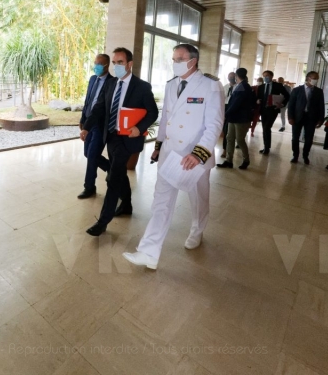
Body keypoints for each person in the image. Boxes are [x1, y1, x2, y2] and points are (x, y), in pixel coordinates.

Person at [122, 44, 223, 269]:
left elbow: (214, 124)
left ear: (193, 61)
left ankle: (198, 230)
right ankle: (148, 253)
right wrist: (158, 146)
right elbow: (167, 117)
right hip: (170, 153)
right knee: (161, 203)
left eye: (180, 58)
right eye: (173, 58)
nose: (175, 62)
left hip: (194, 156)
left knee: (199, 198)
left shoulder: (211, 85)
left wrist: (199, 153)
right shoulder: (171, 85)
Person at [80, 47, 158, 236]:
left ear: (130, 64)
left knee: (113, 177)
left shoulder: (142, 87)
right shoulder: (111, 84)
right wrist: (87, 127)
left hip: (129, 138)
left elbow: (153, 112)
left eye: (120, 62)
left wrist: (139, 128)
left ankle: (103, 222)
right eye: (114, 63)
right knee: (118, 172)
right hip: (112, 136)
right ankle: (127, 205)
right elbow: (99, 107)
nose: (116, 66)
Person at [77, 53, 117, 198]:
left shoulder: (113, 82)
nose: (96, 66)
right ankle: (112, 170)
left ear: (107, 65)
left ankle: (89, 187)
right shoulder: (93, 79)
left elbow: (104, 107)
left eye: (100, 64)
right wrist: (83, 119)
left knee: (92, 155)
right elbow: (88, 101)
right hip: (88, 121)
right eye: (95, 63)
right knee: (87, 153)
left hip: (100, 125)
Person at [217, 67, 254, 170]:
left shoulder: (244, 87)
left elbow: (236, 103)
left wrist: (226, 114)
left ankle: (246, 160)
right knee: (229, 138)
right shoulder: (240, 86)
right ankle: (229, 160)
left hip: (241, 118)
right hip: (233, 117)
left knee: (240, 140)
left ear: (237, 76)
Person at [287, 71, 326, 164]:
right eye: (313, 78)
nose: (315, 80)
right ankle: (295, 155)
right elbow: (291, 105)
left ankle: (305, 156)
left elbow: (321, 106)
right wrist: (290, 117)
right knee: (295, 138)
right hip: (297, 117)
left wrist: (321, 119)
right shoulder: (297, 90)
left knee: (309, 139)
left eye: (317, 78)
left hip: (311, 118)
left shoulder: (318, 91)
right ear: (308, 78)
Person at [257, 70, 289, 155]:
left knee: (267, 127)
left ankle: (267, 148)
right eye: (264, 76)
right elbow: (257, 97)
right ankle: (266, 146)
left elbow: (287, 95)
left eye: (267, 76)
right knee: (265, 128)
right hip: (263, 110)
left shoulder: (278, 86)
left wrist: (282, 104)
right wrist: (257, 100)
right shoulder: (261, 87)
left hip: (273, 110)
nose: (265, 77)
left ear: (271, 76)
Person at [218, 72, 237, 161]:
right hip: (225, 108)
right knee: (226, 131)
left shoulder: (238, 87)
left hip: (234, 109)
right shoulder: (225, 87)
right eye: (229, 77)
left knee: (232, 133)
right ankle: (225, 150)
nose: (231, 78)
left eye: (233, 77)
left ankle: (230, 150)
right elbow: (221, 99)